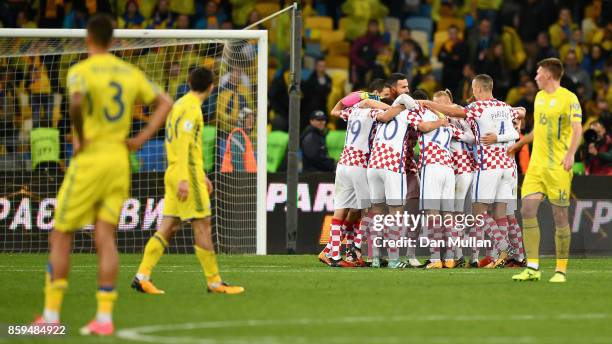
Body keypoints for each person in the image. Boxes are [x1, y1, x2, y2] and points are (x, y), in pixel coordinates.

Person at [33, 14, 173, 335]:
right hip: (120, 159)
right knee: (106, 236)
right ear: (112, 40)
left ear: (88, 39)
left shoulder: (79, 72)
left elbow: (77, 103)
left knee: (61, 233)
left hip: (91, 156)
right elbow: (165, 102)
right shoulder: (129, 72)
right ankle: (104, 318)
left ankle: (52, 316)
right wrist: (140, 138)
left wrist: (79, 135)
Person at [132, 67, 245, 295]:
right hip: (185, 174)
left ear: (190, 83)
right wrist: (187, 178)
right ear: (211, 86)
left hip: (173, 170)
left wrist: (198, 174)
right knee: (203, 225)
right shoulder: (193, 109)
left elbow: (178, 142)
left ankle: (142, 276)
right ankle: (214, 281)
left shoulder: (178, 104)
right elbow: (184, 142)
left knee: (169, 226)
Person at [509, 58, 583, 283]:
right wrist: (520, 143)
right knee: (527, 210)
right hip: (537, 166)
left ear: (548, 75)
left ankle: (560, 270)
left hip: (558, 167)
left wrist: (570, 154)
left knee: (560, 216)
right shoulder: (539, 98)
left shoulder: (569, 98)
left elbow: (577, 128)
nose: (535, 77)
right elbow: (537, 131)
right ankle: (533, 267)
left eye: (538, 73)